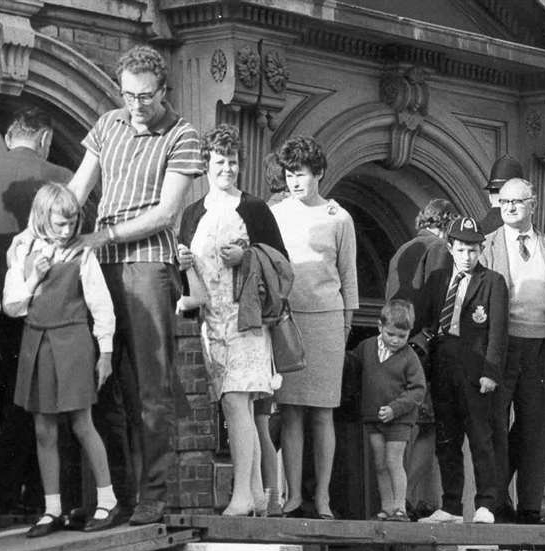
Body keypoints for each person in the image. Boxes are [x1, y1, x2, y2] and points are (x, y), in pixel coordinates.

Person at [67, 46, 203, 525]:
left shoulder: (184, 136)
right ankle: (111, 496)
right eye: (128, 94)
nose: (136, 105)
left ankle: (153, 496)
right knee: (100, 385)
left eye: (145, 96)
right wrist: (51, 230)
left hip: (147, 265)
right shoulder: (108, 124)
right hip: (100, 265)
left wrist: (104, 233)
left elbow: (166, 213)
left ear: (163, 90)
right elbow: (78, 189)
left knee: (150, 388)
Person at [175, 124, 290, 518]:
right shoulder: (192, 214)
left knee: (239, 402)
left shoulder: (254, 208)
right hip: (212, 323)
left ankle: (242, 493)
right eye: (221, 161)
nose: (228, 168)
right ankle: (257, 494)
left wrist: (247, 257)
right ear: (207, 164)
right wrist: (183, 263)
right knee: (232, 406)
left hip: (247, 320)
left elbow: (282, 264)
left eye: (234, 161)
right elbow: (183, 277)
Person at [1, 182, 120, 536]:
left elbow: (101, 305)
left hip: (73, 342)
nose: (67, 232)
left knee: (82, 423)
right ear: (42, 219)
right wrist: (34, 277)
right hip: (37, 341)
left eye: (72, 224)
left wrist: (106, 352)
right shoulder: (23, 249)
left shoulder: (82, 254)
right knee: (43, 428)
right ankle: (52, 508)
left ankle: (107, 499)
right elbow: (12, 306)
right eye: (59, 225)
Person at [0, 108, 71, 517]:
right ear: (45, 139)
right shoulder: (62, 178)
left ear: (10, 135)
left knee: (12, 401)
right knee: (36, 405)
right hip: (45, 310)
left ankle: (17, 495)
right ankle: (16, 492)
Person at [269, 135, 356, 519]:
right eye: (290, 174)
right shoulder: (276, 212)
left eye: (301, 174)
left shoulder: (339, 217)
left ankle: (322, 497)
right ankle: (291, 496)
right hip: (288, 319)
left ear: (318, 173)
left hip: (326, 321)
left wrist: (346, 322)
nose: (295, 182)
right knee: (289, 410)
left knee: (322, 412)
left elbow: (348, 276)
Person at [482, 176, 545, 524]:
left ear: (532, 204)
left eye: (517, 202)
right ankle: (498, 501)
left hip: (540, 347)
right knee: (495, 425)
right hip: (501, 348)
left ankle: (531, 506)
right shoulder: (487, 246)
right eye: (504, 203)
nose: (510, 208)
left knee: (536, 428)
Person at [423, 216, 507, 525]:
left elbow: (497, 332)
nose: (467, 257)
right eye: (461, 250)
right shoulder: (438, 278)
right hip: (443, 362)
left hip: (475, 368)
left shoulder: (492, 282)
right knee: (447, 438)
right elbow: (426, 320)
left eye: (473, 250)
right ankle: (450, 505)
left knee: (480, 437)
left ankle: (486, 502)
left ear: (481, 249)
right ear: (450, 247)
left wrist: (490, 371)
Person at [385, 196, 455, 518]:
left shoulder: (401, 249)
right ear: (445, 224)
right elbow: (439, 298)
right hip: (424, 349)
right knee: (429, 426)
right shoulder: (439, 249)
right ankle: (409, 498)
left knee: (403, 426)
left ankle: (397, 499)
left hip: (396, 345)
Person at [346, 299, 427, 521]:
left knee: (393, 460)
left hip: (399, 420)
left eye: (402, 336)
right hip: (373, 417)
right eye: (391, 334)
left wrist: (395, 409)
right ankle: (387, 507)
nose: (396, 340)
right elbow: (352, 367)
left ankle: (400, 507)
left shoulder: (409, 357)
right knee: (380, 463)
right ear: (380, 326)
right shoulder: (366, 347)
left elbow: (418, 390)